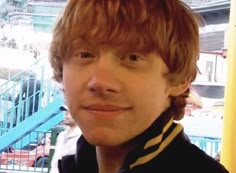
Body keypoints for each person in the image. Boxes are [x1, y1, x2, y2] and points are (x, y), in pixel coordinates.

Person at [49, 0, 229, 173]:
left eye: (132, 58)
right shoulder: (76, 163)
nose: (100, 82)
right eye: (84, 55)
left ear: (180, 79)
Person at [49, 105, 81, 173]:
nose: (66, 114)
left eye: (69, 111)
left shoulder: (82, 137)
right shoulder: (61, 136)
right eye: (65, 111)